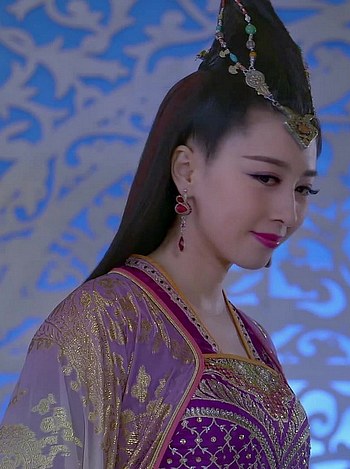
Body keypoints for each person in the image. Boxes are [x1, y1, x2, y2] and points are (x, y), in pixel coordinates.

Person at [0, 0, 321, 466]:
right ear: (187, 170)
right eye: (266, 178)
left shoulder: (257, 341)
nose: (287, 212)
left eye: (304, 189)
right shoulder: (104, 320)